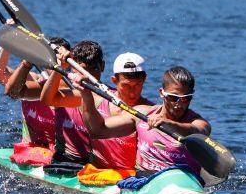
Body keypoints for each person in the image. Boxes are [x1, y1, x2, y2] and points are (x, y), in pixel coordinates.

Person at [82, 66, 212, 176]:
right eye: (173, 98)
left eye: (186, 99)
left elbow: (197, 131)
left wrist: (169, 123)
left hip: (183, 181)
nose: (179, 104)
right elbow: (98, 130)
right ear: (162, 93)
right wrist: (86, 95)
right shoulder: (142, 114)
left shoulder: (199, 123)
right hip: (145, 181)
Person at [0, 37, 71, 150]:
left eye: (62, 59)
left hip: (62, 155)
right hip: (30, 151)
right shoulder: (34, 81)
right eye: (55, 59)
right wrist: (8, 40)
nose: (58, 64)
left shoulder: (76, 89)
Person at [39, 40, 111, 164]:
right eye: (82, 70)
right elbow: (46, 100)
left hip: (100, 165)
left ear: (103, 66)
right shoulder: (76, 96)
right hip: (70, 162)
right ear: (73, 69)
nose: (87, 76)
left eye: (93, 69)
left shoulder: (112, 97)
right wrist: (60, 67)